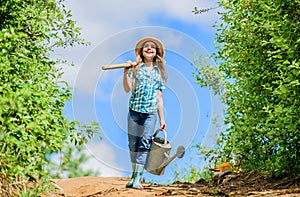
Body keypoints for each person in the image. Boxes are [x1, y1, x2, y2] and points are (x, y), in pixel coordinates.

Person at [123, 37, 167, 189]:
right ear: (141, 51)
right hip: (134, 111)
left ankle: (138, 178)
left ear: (156, 53)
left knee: (144, 143)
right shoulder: (136, 68)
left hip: (150, 113)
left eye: (152, 47)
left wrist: (162, 120)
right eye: (146, 47)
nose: (149, 48)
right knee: (133, 144)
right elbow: (128, 89)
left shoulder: (159, 71)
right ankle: (133, 175)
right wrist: (125, 72)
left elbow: (159, 98)